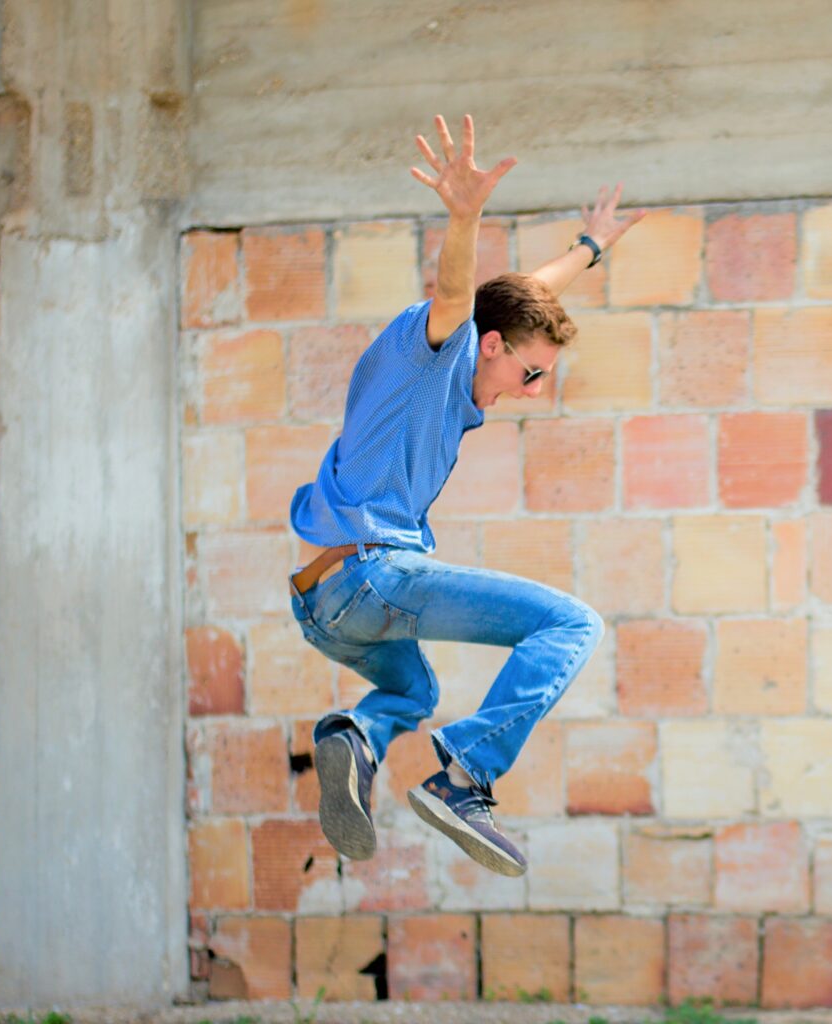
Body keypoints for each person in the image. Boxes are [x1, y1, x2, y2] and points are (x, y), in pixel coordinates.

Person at [289, 114, 645, 877]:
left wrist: (589, 249)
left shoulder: (478, 347)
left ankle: (355, 738)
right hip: (372, 575)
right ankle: (465, 779)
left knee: (411, 693)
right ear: (492, 348)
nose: (530, 390)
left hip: (322, 603)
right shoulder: (435, 352)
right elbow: (458, 293)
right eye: (531, 374)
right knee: (571, 625)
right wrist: (466, 215)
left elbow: (522, 295)